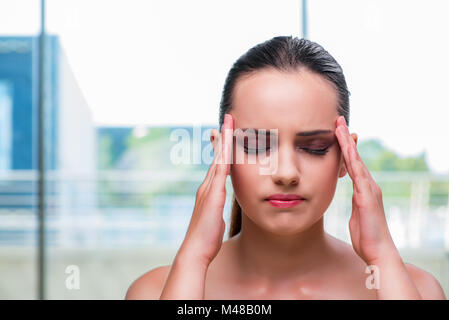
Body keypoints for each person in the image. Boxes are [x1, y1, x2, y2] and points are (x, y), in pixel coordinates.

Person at [125, 36, 446, 300]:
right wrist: (193, 259)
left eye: (314, 147)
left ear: (346, 159)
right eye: (257, 145)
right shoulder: (154, 292)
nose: (286, 173)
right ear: (222, 151)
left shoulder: (414, 290)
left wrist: (384, 259)